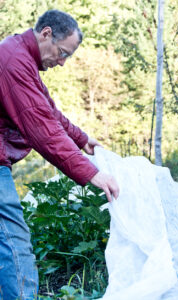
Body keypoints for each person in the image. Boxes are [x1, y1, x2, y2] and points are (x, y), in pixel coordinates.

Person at [0, 9, 119, 299]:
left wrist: (81, 138)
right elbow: (42, 128)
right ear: (46, 34)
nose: (63, 63)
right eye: (63, 53)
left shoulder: (19, 54)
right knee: (13, 239)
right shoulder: (14, 61)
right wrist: (91, 172)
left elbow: (48, 111)